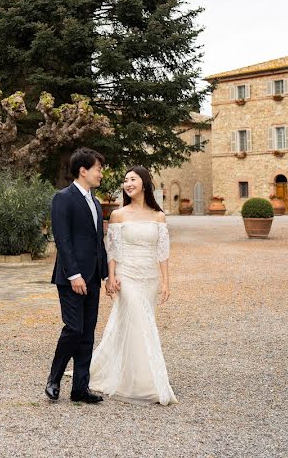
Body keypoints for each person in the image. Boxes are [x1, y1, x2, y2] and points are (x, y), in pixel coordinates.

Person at [89, 165, 178, 405]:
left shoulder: (158, 216)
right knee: (141, 321)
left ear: (144, 183)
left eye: (133, 179)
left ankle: (126, 372)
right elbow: (113, 250)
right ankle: (147, 382)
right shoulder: (119, 215)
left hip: (149, 277)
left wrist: (165, 282)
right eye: (125, 180)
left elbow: (163, 252)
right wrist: (111, 276)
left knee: (132, 324)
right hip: (126, 276)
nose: (128, 184)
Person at [45, 148, 108, 404]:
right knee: (73, 329)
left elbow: (97, 242)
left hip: (92, 278)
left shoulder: (95, 201)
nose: (101, 174)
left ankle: (80, 388)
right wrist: (74, 274)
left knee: (88, 333)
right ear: (83, 170)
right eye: (98, 169)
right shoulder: (63, 198)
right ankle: (54, 379)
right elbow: (63, 239)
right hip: (71, 278)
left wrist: (104, 276)